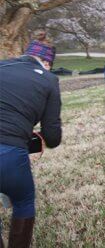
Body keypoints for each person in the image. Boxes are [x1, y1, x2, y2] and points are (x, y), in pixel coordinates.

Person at [0, 34, 62, 247]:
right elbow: (53, 137)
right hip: (10, 153)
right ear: (46, 63)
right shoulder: (49, 80)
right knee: (23, 201)